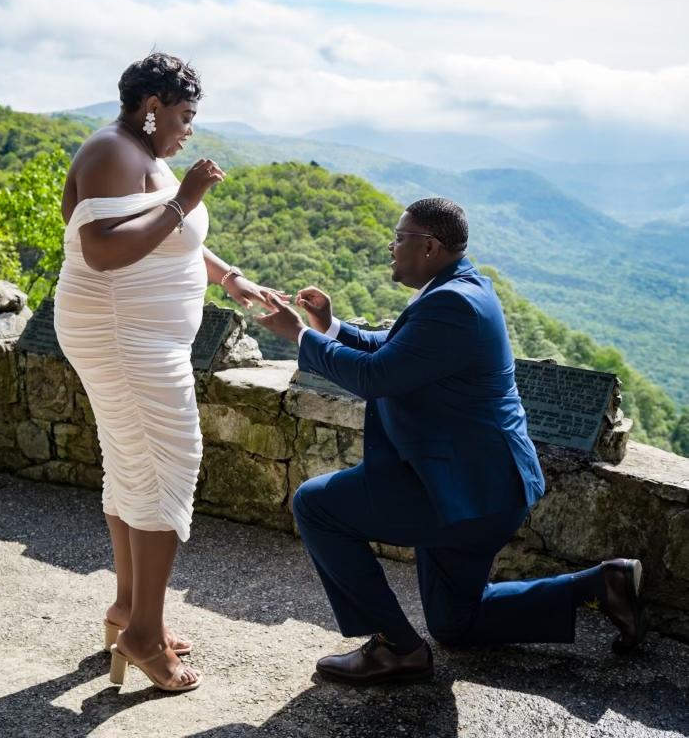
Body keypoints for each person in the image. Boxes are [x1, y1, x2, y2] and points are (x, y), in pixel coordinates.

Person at [257, 197, 645, 685]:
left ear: (430, 245)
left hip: (462, 490)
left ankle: (396, 648)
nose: (391, 247)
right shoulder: (459, 286)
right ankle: (602, 584)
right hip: (479, 488)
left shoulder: (453, 304)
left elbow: (378, 376)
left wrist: (298, 337)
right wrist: (329, 327)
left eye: (399, 238)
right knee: (455, 623)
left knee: (316, 505)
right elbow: (396, 351)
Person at [54, 52, 287, 693]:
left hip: (135, 333)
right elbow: (100, 250)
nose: (189, 130)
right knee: (167, 464)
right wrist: (186, 197)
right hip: (122, 333)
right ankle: (144, 635)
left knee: (133, 462)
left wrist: (232, 280)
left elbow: (170, 238)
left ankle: (131, 611)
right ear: (151, 105)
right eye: (184, 116)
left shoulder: (139, 154)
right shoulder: (112, 151)